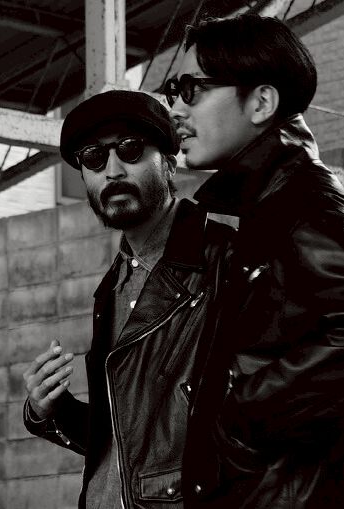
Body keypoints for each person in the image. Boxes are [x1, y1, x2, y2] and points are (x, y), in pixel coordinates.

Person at [167, 14, 344, 508]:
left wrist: (242, 416)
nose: (175, 109)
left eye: (191, 90)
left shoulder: (302, 202)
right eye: (173, 90)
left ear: (261, 103)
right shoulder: (265, 204)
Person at [22, 90, 234, 508]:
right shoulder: (113, 286)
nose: (113, 170)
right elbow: (131, 442)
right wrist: (51, 409)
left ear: (169, 162)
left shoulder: (227, 263)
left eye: (131, 149)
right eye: (93, 158)